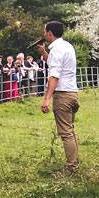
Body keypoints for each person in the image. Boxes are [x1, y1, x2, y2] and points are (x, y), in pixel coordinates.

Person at [37, 21, 80, 171]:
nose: (44, 35)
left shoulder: (56, 50)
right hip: (73, 93)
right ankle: (74, 161)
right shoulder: (67, 46)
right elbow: (56, 64)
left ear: (49, 33)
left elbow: (54, 76)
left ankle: (72, 166)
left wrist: (46, 99)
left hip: (63, 95)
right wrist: (43, 53)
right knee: (70, 131)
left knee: (66, 133)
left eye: (45, 32)